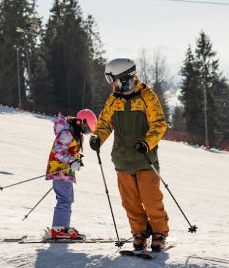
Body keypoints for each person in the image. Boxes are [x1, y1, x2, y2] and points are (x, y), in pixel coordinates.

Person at [90, 58, 169, 252]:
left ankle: (159, 233)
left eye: (113, 80)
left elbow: (159, 124)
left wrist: (147, 143)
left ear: (125, 78)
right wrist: (97, 137)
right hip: (122, 160)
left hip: (144, 159)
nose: (112, 85)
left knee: (151, 200)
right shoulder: (113, 100)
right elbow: (105, 124)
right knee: (130, 202)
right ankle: (139, 232)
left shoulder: (147, 97)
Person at [46, 109, 97, 239]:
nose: (86, 132)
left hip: (65, 172)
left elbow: (68, 150)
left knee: (68, 200)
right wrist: (72, 160)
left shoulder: (73, 132)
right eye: (86, 129)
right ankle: (59, 229)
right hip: (60, 171)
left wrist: (77, 160)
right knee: (64, 200)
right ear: (80, 122)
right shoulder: (67, 133)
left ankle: (62, 227)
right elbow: (57, 150)